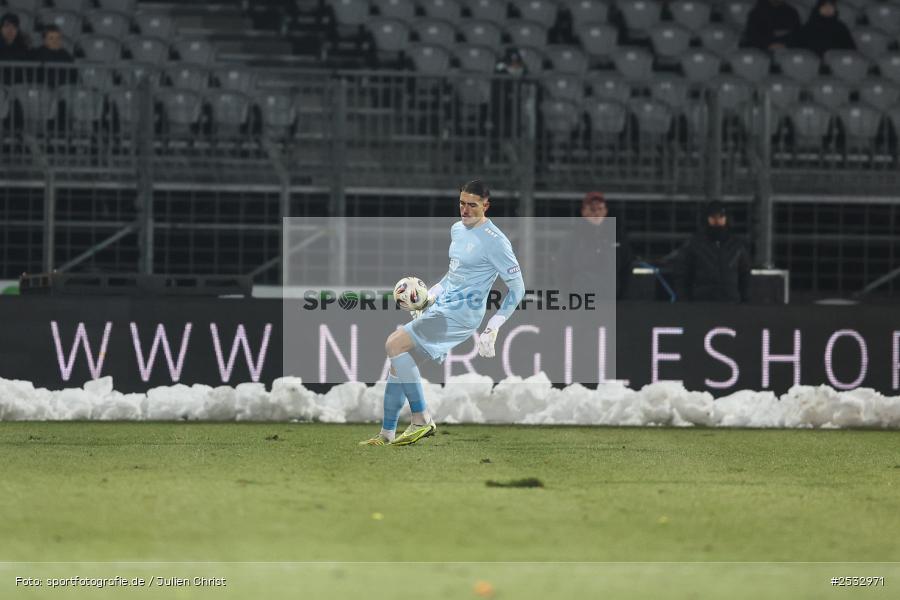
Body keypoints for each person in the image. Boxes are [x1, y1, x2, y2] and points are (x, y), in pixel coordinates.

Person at [360, 180, 526, 446]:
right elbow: (454, 274)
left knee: (394, 343)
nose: (465, 209)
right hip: (444, 306)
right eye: (462, 203)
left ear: (486, 206)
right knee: (398, 361)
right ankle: (386, 435)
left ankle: (421, 420)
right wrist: (430, 296)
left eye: (473, 205)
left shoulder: (496, 242)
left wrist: (494, 325)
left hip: (462, 313)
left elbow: (518, 289)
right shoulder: (457, 230)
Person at [557, 192, 633, 301]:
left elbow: (626, 267)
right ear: (584, 211)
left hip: (610, 301)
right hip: (581, 301)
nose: (596, 213)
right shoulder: (573, 238)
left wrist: (622, 297)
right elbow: (562, 270)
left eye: (600, 209)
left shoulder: (617, 237)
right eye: (592, 209)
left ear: (606, 211)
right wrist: (568, 297)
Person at [677, 201, 752, 303]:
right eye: (713, 217)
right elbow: (684, 274)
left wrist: (745, 300)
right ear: (707, 219)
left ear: (726, 219)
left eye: (720, 217)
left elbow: (745, 276)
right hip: (702, 302)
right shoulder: (695, 244)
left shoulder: (737, 245)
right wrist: (684, 301)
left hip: (731, 302)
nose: (717, 221)